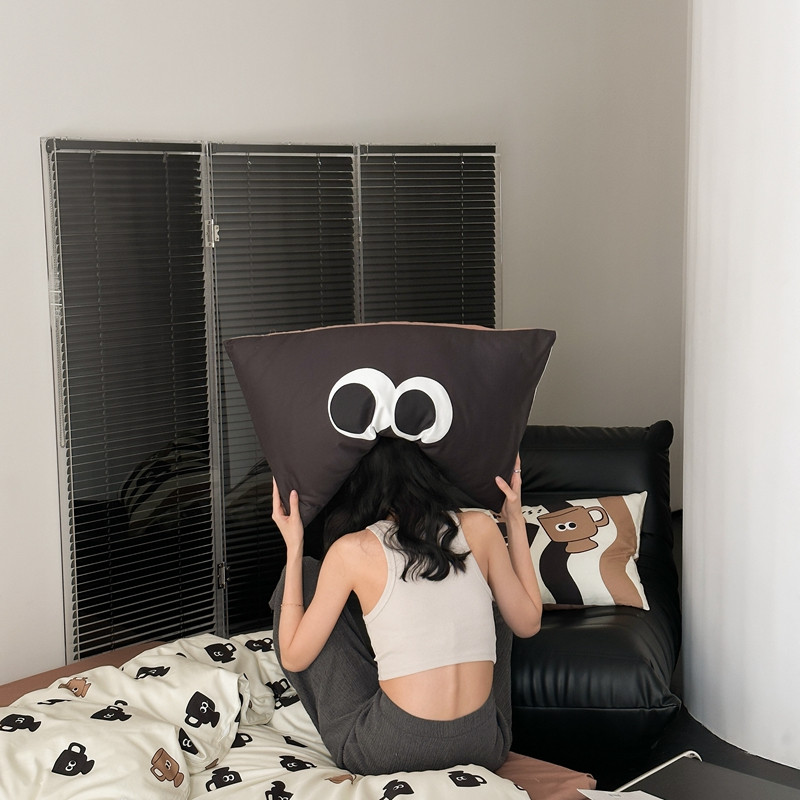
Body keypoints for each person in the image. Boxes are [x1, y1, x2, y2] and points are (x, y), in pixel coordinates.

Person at [269, 436, 542, 775]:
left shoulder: (352, 550)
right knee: (495, 588)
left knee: (306, 574)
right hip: (485, 744)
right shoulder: (481, 527)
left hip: (393, 752)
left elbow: (294, 657)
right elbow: (529, 623)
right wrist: (514, 518)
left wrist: (294, 546)